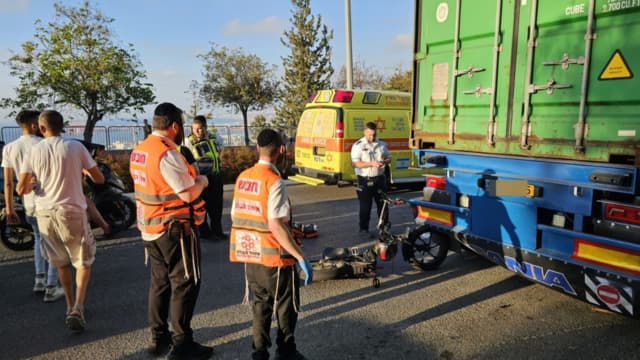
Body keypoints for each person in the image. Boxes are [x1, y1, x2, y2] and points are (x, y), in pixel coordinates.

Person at [129, 102, 213, 360]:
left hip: (151, 227)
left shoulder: (140, 150)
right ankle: (182, 343)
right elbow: (187, 192)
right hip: (174, 228)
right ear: (175, 126)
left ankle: (159, 337)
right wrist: (203, 180)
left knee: (160, 284)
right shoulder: (167, 154)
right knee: (185, 283)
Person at [16, 110, 104, 332]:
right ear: (62, 125)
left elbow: (21, 188)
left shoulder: (34, 150)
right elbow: (99, 178)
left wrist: (34, 184)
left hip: (44, 212)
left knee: (61, 262)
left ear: (41, 128)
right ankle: (78, 306)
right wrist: (83, 171)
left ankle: (67, 305)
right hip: (72, 210)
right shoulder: (75, 147)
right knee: (83, 261)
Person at [229, 128, 313, 360]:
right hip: (274, 259)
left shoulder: (243, 177)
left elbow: (236, 215)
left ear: (257, 148)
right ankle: (286, 351)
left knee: (261, 305)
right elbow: (276, 225)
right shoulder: (274, 182)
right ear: (281, 151)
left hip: (251, 257)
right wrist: (300, 257)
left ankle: (259, 352)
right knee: (286, 305)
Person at [1, 110, 64, 303]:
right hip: (47, 202)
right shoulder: (43, 144)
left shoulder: (9, 148)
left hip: (27, 205)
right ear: (35, 125)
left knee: (38, 239)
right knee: (53, 243)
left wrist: (11, 209)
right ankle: (52, 285)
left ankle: (39, 278)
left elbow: (9, 183)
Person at [183, 115, 226, 240]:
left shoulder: (214, 136)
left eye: (200, 128)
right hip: (202, 179)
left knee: (217, 207)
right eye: (194, 128)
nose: (196, 131)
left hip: (216, 176)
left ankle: (217, 231)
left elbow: (220, 148)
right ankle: (205, 233)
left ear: (205, 127)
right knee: (203, 207)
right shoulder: (189, 141)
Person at [350, 122, 391, 236]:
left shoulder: (381, 144)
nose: (371, 137)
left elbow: (389, 158)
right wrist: (371, 164)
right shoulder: (358, 145)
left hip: (380, 179)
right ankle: (363, 228)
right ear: (365, 132)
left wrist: (384, 162)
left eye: (373, 134)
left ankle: (384, 227)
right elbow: (355, 164)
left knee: (383, 204)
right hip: (365, 179)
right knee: (365, 206)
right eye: (369, 135)